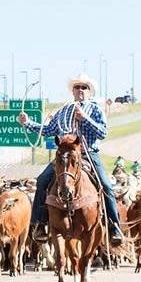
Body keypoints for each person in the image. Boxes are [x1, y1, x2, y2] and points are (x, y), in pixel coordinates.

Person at [18, 74, 124, 246]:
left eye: (84, 87)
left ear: (89, 92)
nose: (80, 90)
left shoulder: (95, 110)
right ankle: (40, 224)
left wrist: (85, 119)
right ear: (73, 91)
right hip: (64, 155)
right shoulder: (63, 110)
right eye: (77, 87)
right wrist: (27, 122)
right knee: (42, 180)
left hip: (87, 153)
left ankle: (114, 226)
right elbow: (48, 130)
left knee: (106, 186)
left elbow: (103, 133)